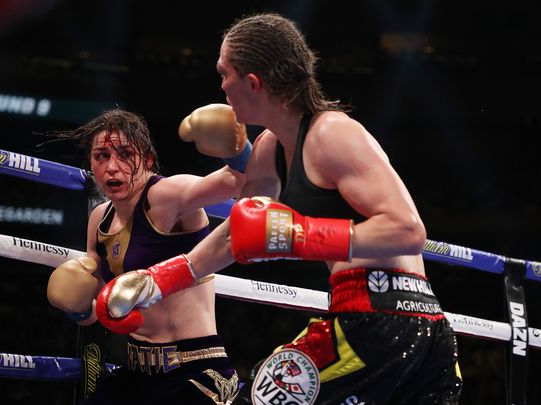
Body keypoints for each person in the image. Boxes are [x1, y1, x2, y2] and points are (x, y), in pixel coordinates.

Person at [95, 13, 463, 405]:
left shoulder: (333, 133)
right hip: (394, 327)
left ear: (253, 82)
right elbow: (241, 231)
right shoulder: (271, 149)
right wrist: (158, 280)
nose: (220, 85)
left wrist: (299, 234)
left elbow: (408, 231)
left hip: (382, 319)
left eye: (225, 73)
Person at [46, 106, 250, 404]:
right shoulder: (100, 220)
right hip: (137, 372)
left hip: (194, 370)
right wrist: (76, 307)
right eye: (101, 156)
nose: (112, 167)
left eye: (125, 154)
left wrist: (237, 149)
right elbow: (99, 313)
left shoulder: (167, 195)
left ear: (148, 160)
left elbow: (241, 181)